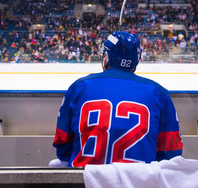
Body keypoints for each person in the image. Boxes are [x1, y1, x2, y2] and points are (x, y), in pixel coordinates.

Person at [53, 31, 183, 167]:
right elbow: (171, 153)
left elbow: (63, 144)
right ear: (136, 59)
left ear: (106, 57)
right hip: (139, 184)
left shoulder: (79, 87)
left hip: (84, 181)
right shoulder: (159, 93)